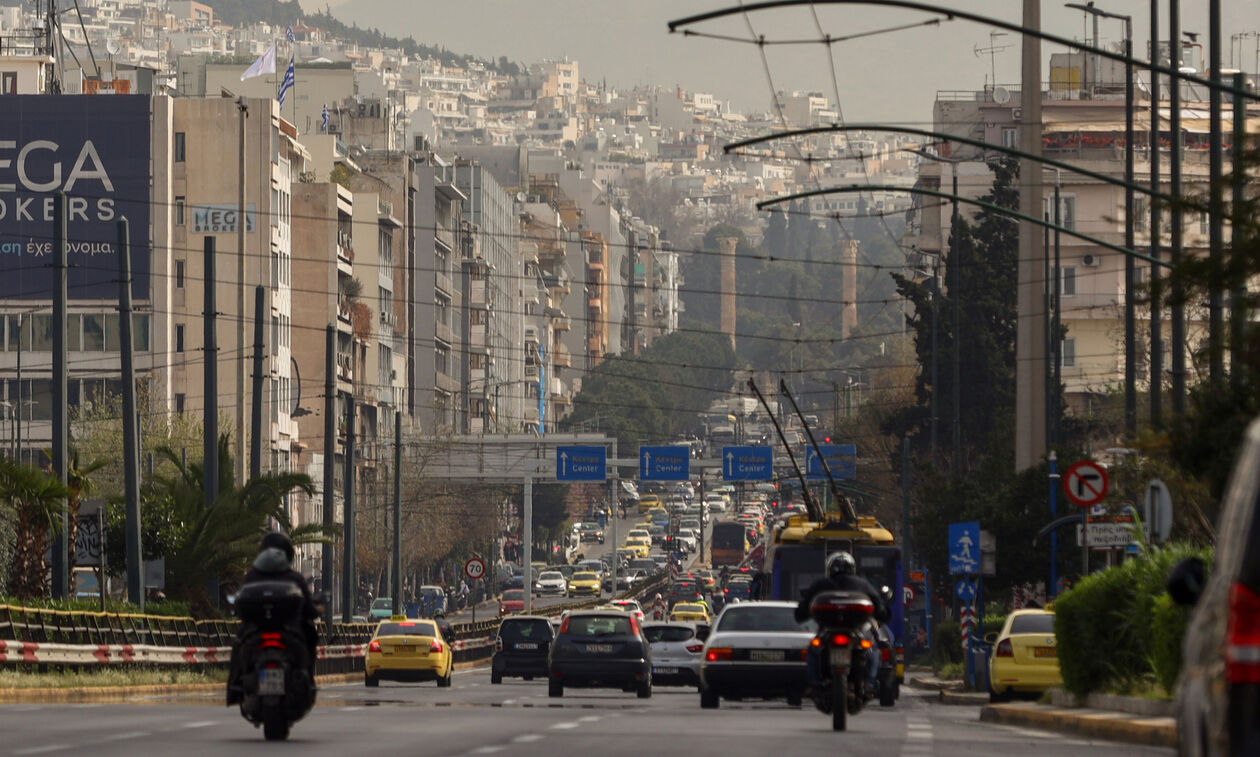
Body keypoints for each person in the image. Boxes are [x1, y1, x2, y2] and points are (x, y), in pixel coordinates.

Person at [227, 531, 321, 705]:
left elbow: (240, 606)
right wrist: (316, 610)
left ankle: (234, 686)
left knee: (238, 643)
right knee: (310, 636)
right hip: (289, 633)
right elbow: (309, 611)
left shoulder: (251, 577)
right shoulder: (294, 578)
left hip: (256, 633)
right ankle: (308, 680)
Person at [794, 551, 888, 698]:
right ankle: (869, 683)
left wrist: (801, 614)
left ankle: (814, 684)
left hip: (829, 631)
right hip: (854, 630)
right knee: (872, 649)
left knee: (813, 650)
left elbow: (803, 609)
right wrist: (883, 614)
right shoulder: (862, 584)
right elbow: (879, 607)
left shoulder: (822, 584)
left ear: (829, 568)